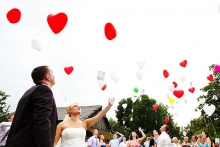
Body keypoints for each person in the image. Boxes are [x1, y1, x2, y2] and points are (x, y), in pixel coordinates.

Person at [5, 66, 58, 147]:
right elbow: (42, 120)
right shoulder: (43, 90)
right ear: (48, 77)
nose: (54, 76)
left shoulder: (29, 91)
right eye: (52, 73)